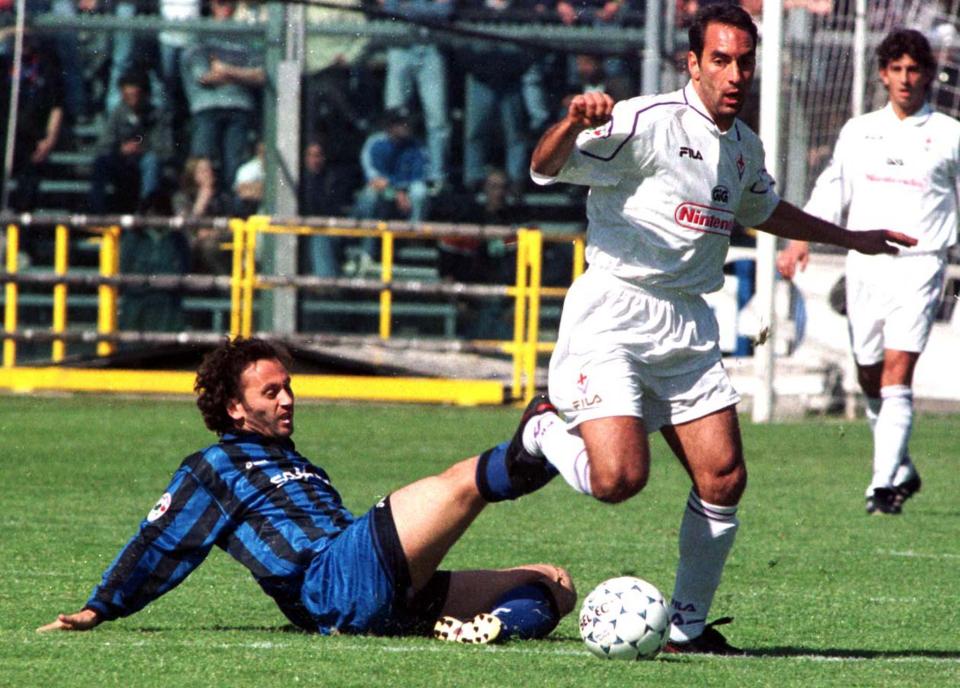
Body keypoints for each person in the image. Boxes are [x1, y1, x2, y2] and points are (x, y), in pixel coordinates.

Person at [525, 2, 915, 654]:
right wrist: (571, 121)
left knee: (724, 478)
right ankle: (542, 429)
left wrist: (853, 239)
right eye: (721, 60)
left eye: (744, 61)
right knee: (620, 481)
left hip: (686, 323)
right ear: (693, 64)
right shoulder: (644, 121)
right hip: (616, 315)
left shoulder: (744, 147)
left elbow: (766, 210)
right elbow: (544, 165)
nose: (735, 74)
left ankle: (685, 627)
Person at [37, 337, 576, 641]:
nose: (287, 399)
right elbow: (161, 542)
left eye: (288, 388)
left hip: (380, 593)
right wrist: (100, 607)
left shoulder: (298, 463)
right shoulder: (215, 466)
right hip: (332, 582)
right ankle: (544, 442)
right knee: (461, 484)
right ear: (234, 408)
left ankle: (491, 631)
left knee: (553, 584)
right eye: (270, 392)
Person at [776, 29, 958, 516]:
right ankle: (900, 468)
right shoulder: (859, 131)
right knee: (870, 373)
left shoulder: (949, 135)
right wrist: (798, 242)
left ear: (927, 75)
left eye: (913, 69)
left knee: (899, 372)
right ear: (882, 74)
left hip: (921, 266)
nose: (905, 78)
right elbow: (833, 188)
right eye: (896, 69)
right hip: (865, 265)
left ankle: (881, 487)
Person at [180, 0, 265, 193]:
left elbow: (261, 75)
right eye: (221, 2)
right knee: (202, 165)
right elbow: (203, 76)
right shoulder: (199, 34)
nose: (226, 8)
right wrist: (242, 75)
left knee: (234, 166)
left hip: (239, 106)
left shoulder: (245, 37)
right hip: (207, 106)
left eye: (231, 4)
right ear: (211, 4)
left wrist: (225, 69)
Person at [88, 69, 173, 214]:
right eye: (127, 96)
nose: (132, 101)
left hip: (145, 164)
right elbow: (103, 145)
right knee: (101, 162)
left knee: (151, 161)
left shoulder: (157, 116)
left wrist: (142, 148)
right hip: (122, 164)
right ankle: (97, 210)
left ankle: (146, 206)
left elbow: (166, 149)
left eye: (136, 95)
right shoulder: (118, 114)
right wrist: (120, 150)